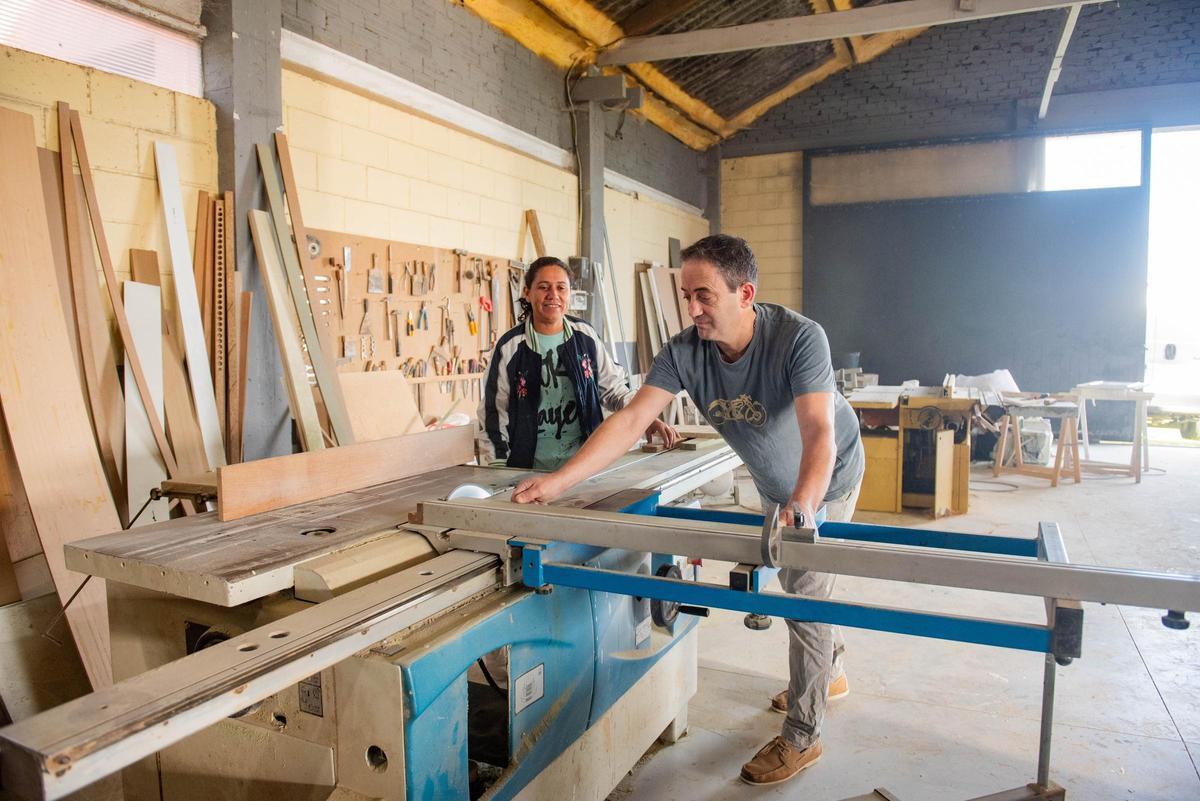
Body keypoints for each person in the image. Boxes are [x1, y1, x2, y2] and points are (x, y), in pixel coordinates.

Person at [510, 235, 865, 787]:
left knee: (807, 594)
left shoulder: (798, 339)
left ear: (745, 293)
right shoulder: (683, 351)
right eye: (685, 296)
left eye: (704, 296)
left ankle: (803, 733)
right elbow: (630, 421)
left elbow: (820, 433)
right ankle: (830, 669)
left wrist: (804, 504)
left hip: (827, 478)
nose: (692, 310)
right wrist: (557, 483)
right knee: (802, 587)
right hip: (777, 482)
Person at [477, 256, 677, 470]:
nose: (553, 295)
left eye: (561, 288)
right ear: (527, 292)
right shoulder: (510, 347)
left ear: (569, 293)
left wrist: (645, 417)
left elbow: (615, 390)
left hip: (585, 467)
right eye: (543, 287)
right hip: (528, 471)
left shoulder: (585, 336)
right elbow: (493, 414)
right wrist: (497, 470)